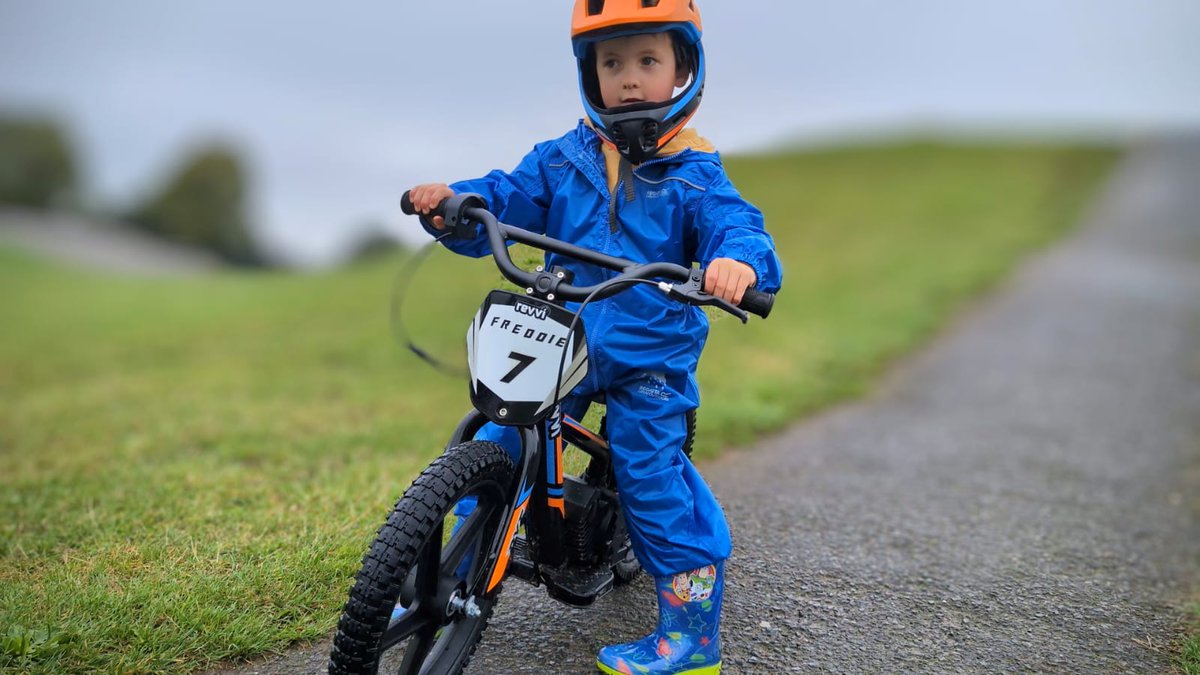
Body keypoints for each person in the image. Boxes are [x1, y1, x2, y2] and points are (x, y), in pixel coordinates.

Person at [406, 1, 781, 673]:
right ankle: (452, 557)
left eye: (647, 61)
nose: (630, 79)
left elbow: (737, 224)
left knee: (651, 474)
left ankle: (690, 634)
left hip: (648, 353)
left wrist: (737, 263)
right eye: (612, 63)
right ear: (590, 73)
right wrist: (455, 204)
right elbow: (504, 195)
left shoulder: (696, 173)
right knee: (496, 430)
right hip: (565, 334)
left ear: (683, 69)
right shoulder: (563, 158)